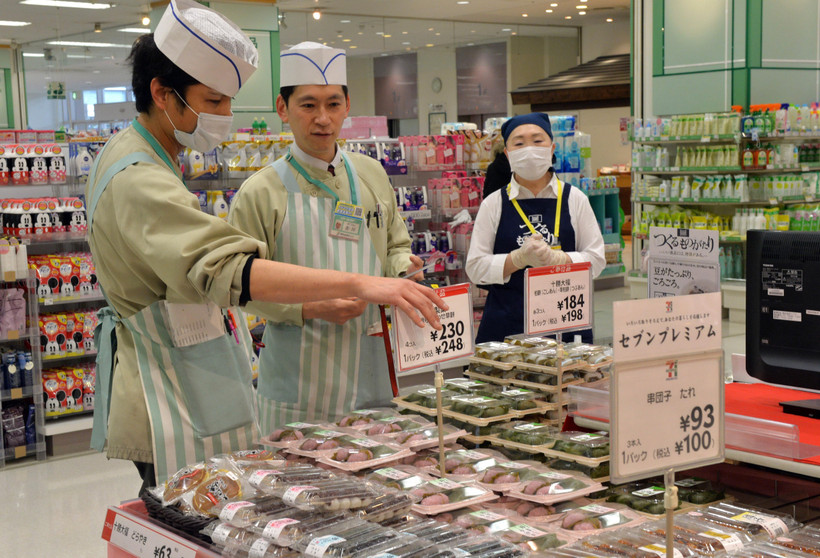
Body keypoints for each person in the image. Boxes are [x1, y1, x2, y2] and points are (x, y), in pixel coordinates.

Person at [86, 2, 444, 490]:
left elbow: (394, 242)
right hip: (169, 383)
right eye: (212, 102)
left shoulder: (152, 155)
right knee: (190, 512)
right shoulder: (141, 178)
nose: (225, 117)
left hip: (218, 371)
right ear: (162, 94)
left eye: (334, 103)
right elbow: (231, 270)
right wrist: (353, 286)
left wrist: (397, 269)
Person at [228, 42, 425, 432]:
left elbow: (396, 245)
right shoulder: (260, 192)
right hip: (299, 377)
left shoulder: (371, 174)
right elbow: (237, 286)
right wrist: (310, 307)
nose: (323, 118)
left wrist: (405, 269)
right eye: (308, 105)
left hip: (370, 362)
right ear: (283, 109)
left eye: (333, 104)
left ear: (347, 106)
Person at [466, 112, 605, 343]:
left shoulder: (575, 199)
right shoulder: (493, 204)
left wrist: (559, 260)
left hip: (566, 322)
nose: (529, 149)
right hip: (507, 326)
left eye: (538, 141)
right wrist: (518, 259)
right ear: (508, 155)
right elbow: (475, 267)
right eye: (519, 143)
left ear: (551, 148)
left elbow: (597, 260)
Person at [482, 134, 511, 199]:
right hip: (510, 201)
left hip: (493, 201)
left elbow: (487, 189)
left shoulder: (492, 167)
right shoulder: (513, 166)